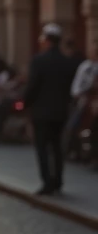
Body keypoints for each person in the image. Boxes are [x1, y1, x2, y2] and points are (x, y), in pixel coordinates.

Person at [24, 22, 74, 195]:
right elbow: (70, 88)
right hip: (60, 112)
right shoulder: (67, 62)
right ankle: (58, 180)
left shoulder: (38, 61)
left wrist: (25, 103)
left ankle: (47, 182)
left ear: (46, 40)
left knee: (42, 148)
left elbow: (32, 87)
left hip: (41, 112)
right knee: (57, 147)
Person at [64, 40, 98, 157]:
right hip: (85, 99)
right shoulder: (85, 67)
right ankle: (71, 148)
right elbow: (76, 88)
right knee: (74, 122)